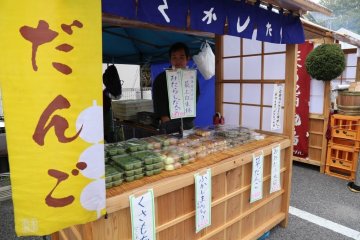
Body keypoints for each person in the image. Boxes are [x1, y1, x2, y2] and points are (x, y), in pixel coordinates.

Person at [152, 42, 200, 132]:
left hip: (187, 123)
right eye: (174, 57)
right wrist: (166, 122)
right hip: (169, 123)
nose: (178, 61)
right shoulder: (161, 78)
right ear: (170, 60)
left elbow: (195, 97)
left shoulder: (192, 78)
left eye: (181, 57)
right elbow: (159, 102)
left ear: (187, 59)